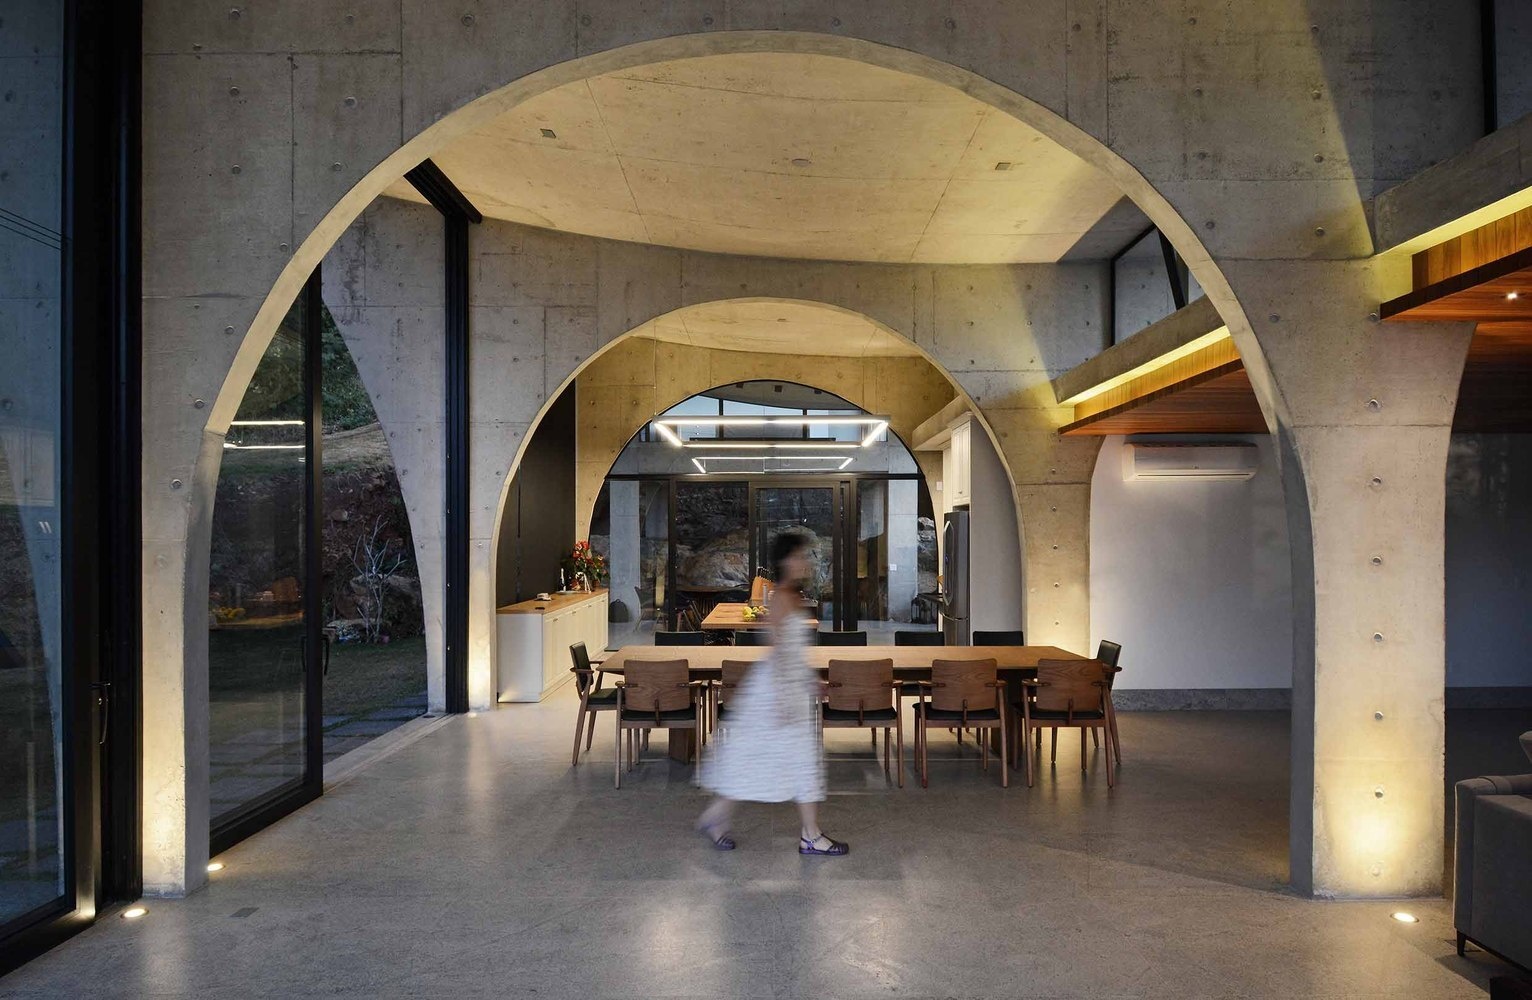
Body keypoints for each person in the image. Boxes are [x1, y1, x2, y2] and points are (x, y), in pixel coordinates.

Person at [696, 530, 847, 856]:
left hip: (788, 688)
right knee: (756, 759)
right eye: (800, 555)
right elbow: (778, 651)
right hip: (777, 692)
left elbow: (793, 652)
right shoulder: (779, 597)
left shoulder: (792, 595)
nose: (806, 561)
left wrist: (809, 679)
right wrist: (784, 696)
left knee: (790, 761)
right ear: (784, 561)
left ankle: (808, 833)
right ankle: (720, 818)